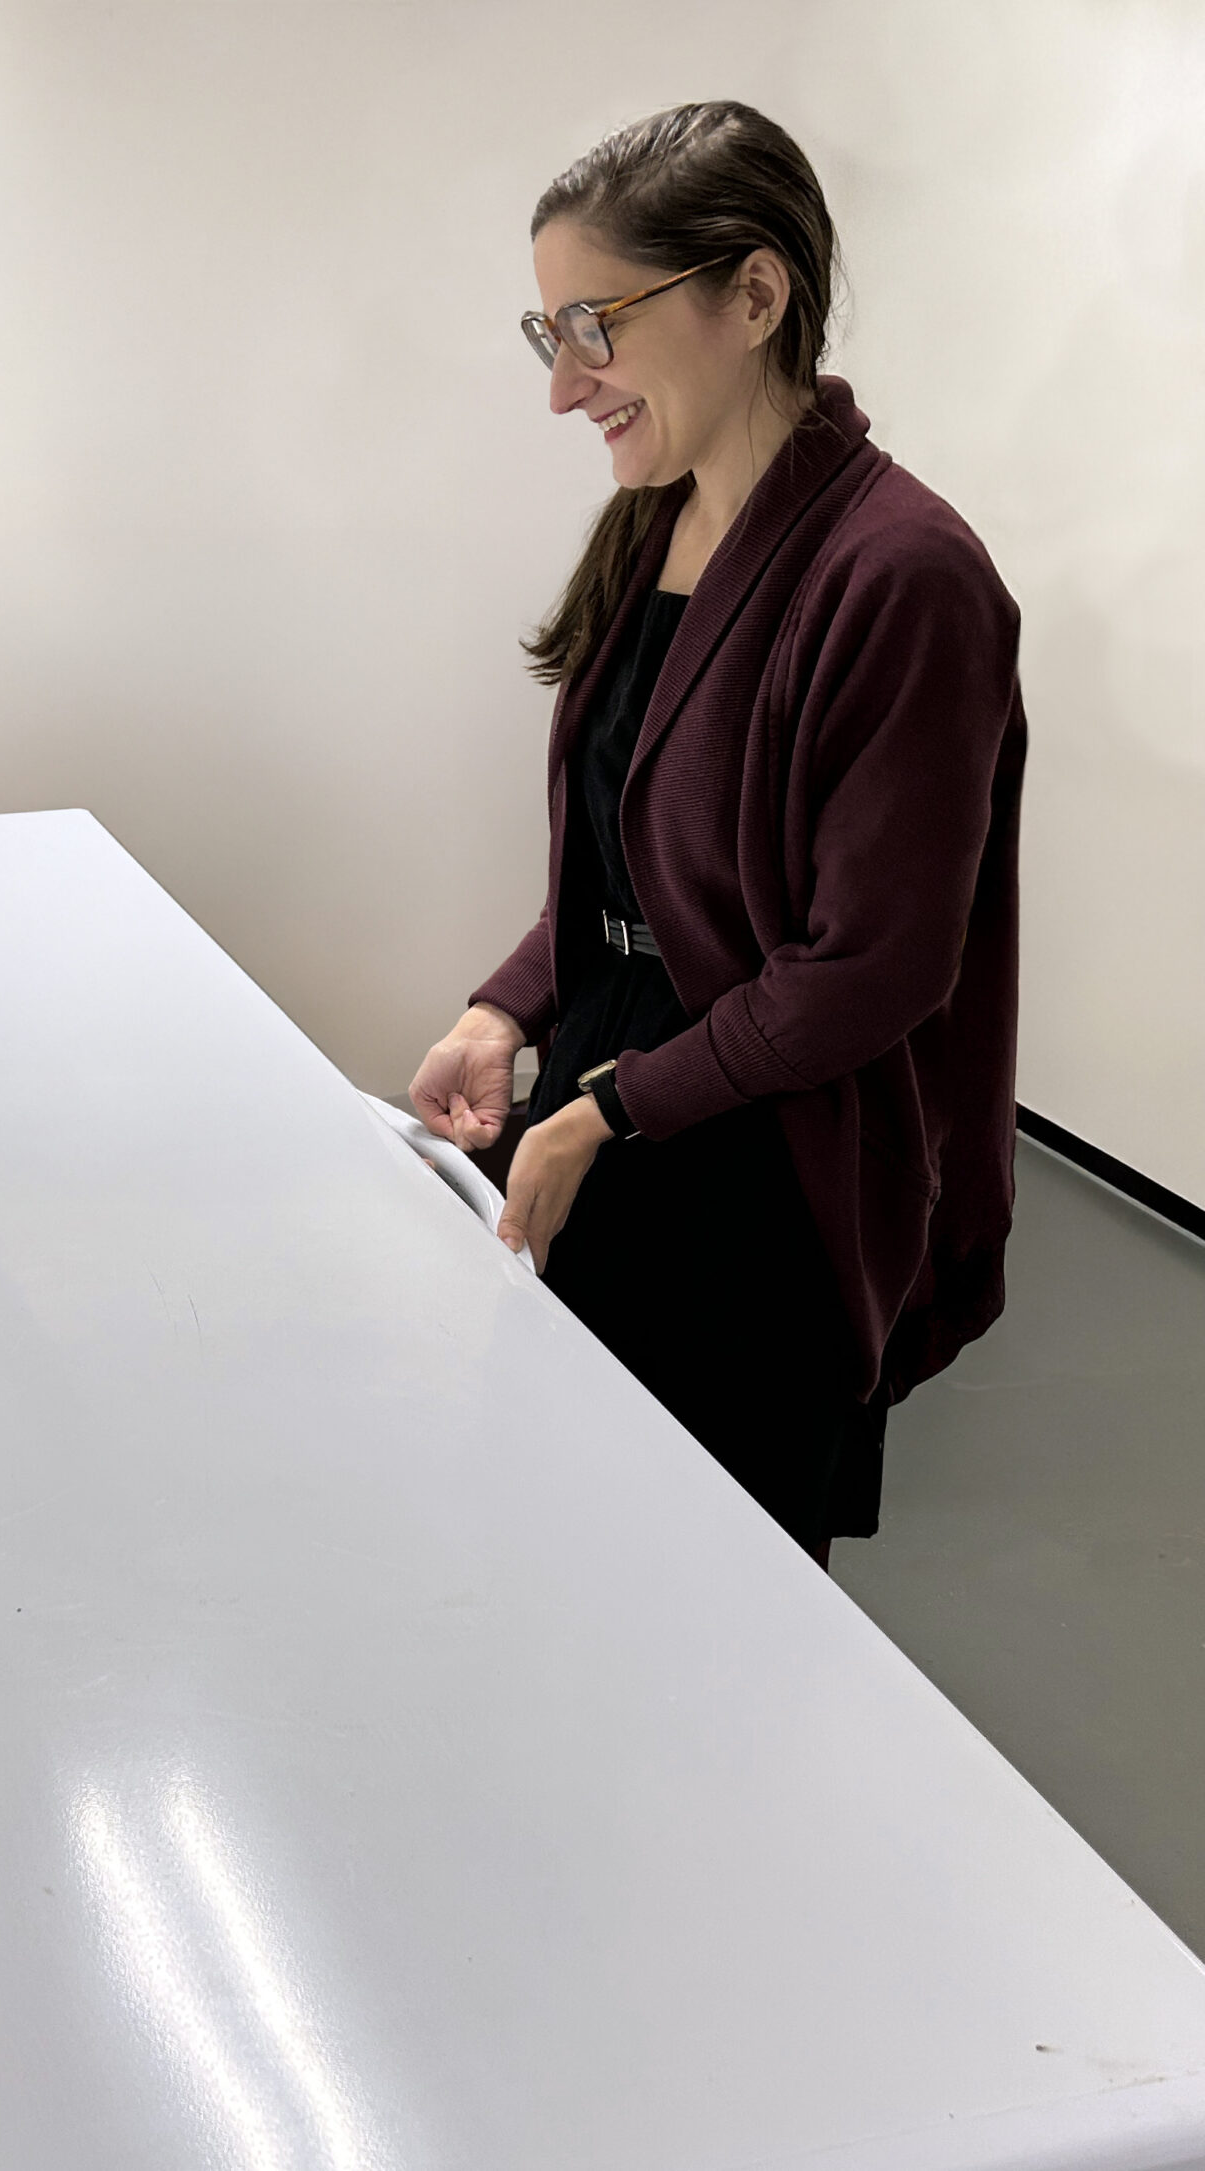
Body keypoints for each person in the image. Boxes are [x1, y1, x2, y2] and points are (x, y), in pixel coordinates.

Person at [408, 102, 1027, 1565]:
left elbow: (871, 972)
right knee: (559, 1556)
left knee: (713, 1620)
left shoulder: (908, 578)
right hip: (612, 1104)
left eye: (595, 327)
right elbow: (626, 867)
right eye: (543, 332)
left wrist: (607, 1110)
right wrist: (508, 1006)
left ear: (753, 296)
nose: (565, 389)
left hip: (763, 1176)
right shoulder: (657, 521)